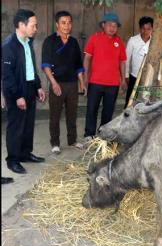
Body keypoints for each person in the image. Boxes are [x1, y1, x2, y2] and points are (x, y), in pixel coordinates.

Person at [2, 9, 46, 174]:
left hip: (29, 87)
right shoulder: (8, 46)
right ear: (21, 25)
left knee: (28, 124)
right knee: (15, 126)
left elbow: (30, 68)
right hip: (15, 91)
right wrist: (18, 96)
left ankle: (25, 154)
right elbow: (7, 77)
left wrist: (38, 86)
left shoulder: (28, 42)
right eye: (33, 25)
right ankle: (12, 160)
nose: (35, 28)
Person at [41, 10, 86, 154]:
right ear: (57, 24)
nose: (67, 26)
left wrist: (82, 82)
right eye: (63, 23)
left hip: (72, 84)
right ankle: (55, 143)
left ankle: (72, 140)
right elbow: (46, 65)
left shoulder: (73, 42)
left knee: (72, 114)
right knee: (55, 115)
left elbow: (79, 65)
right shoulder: (50, 41)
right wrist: (53, 83)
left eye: (69, 23)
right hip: (57, 83)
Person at [83, 12, 127, 141]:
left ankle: (103, 134)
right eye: (110, 25)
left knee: (108, 111)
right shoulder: (94, 38)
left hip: (113, 84)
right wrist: (85, 76)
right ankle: (89, 134)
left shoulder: (119, 41)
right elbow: (87, 58)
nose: (113, 28)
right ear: (103, 25)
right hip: (95, 82)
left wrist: (123, 79)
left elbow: (122, 62)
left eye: (115, 26)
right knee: (92, 109)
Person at [124, 16, 153, 108]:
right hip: (135, 76)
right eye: (143, 29)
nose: (146, 31)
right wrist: (126, 76)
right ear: (140, 28)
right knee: (130, 101)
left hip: (148, 76)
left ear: (152, 29)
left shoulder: (154, 42)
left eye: (148, 29)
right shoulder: (133, 41)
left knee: (146, 101)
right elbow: (127, 59)